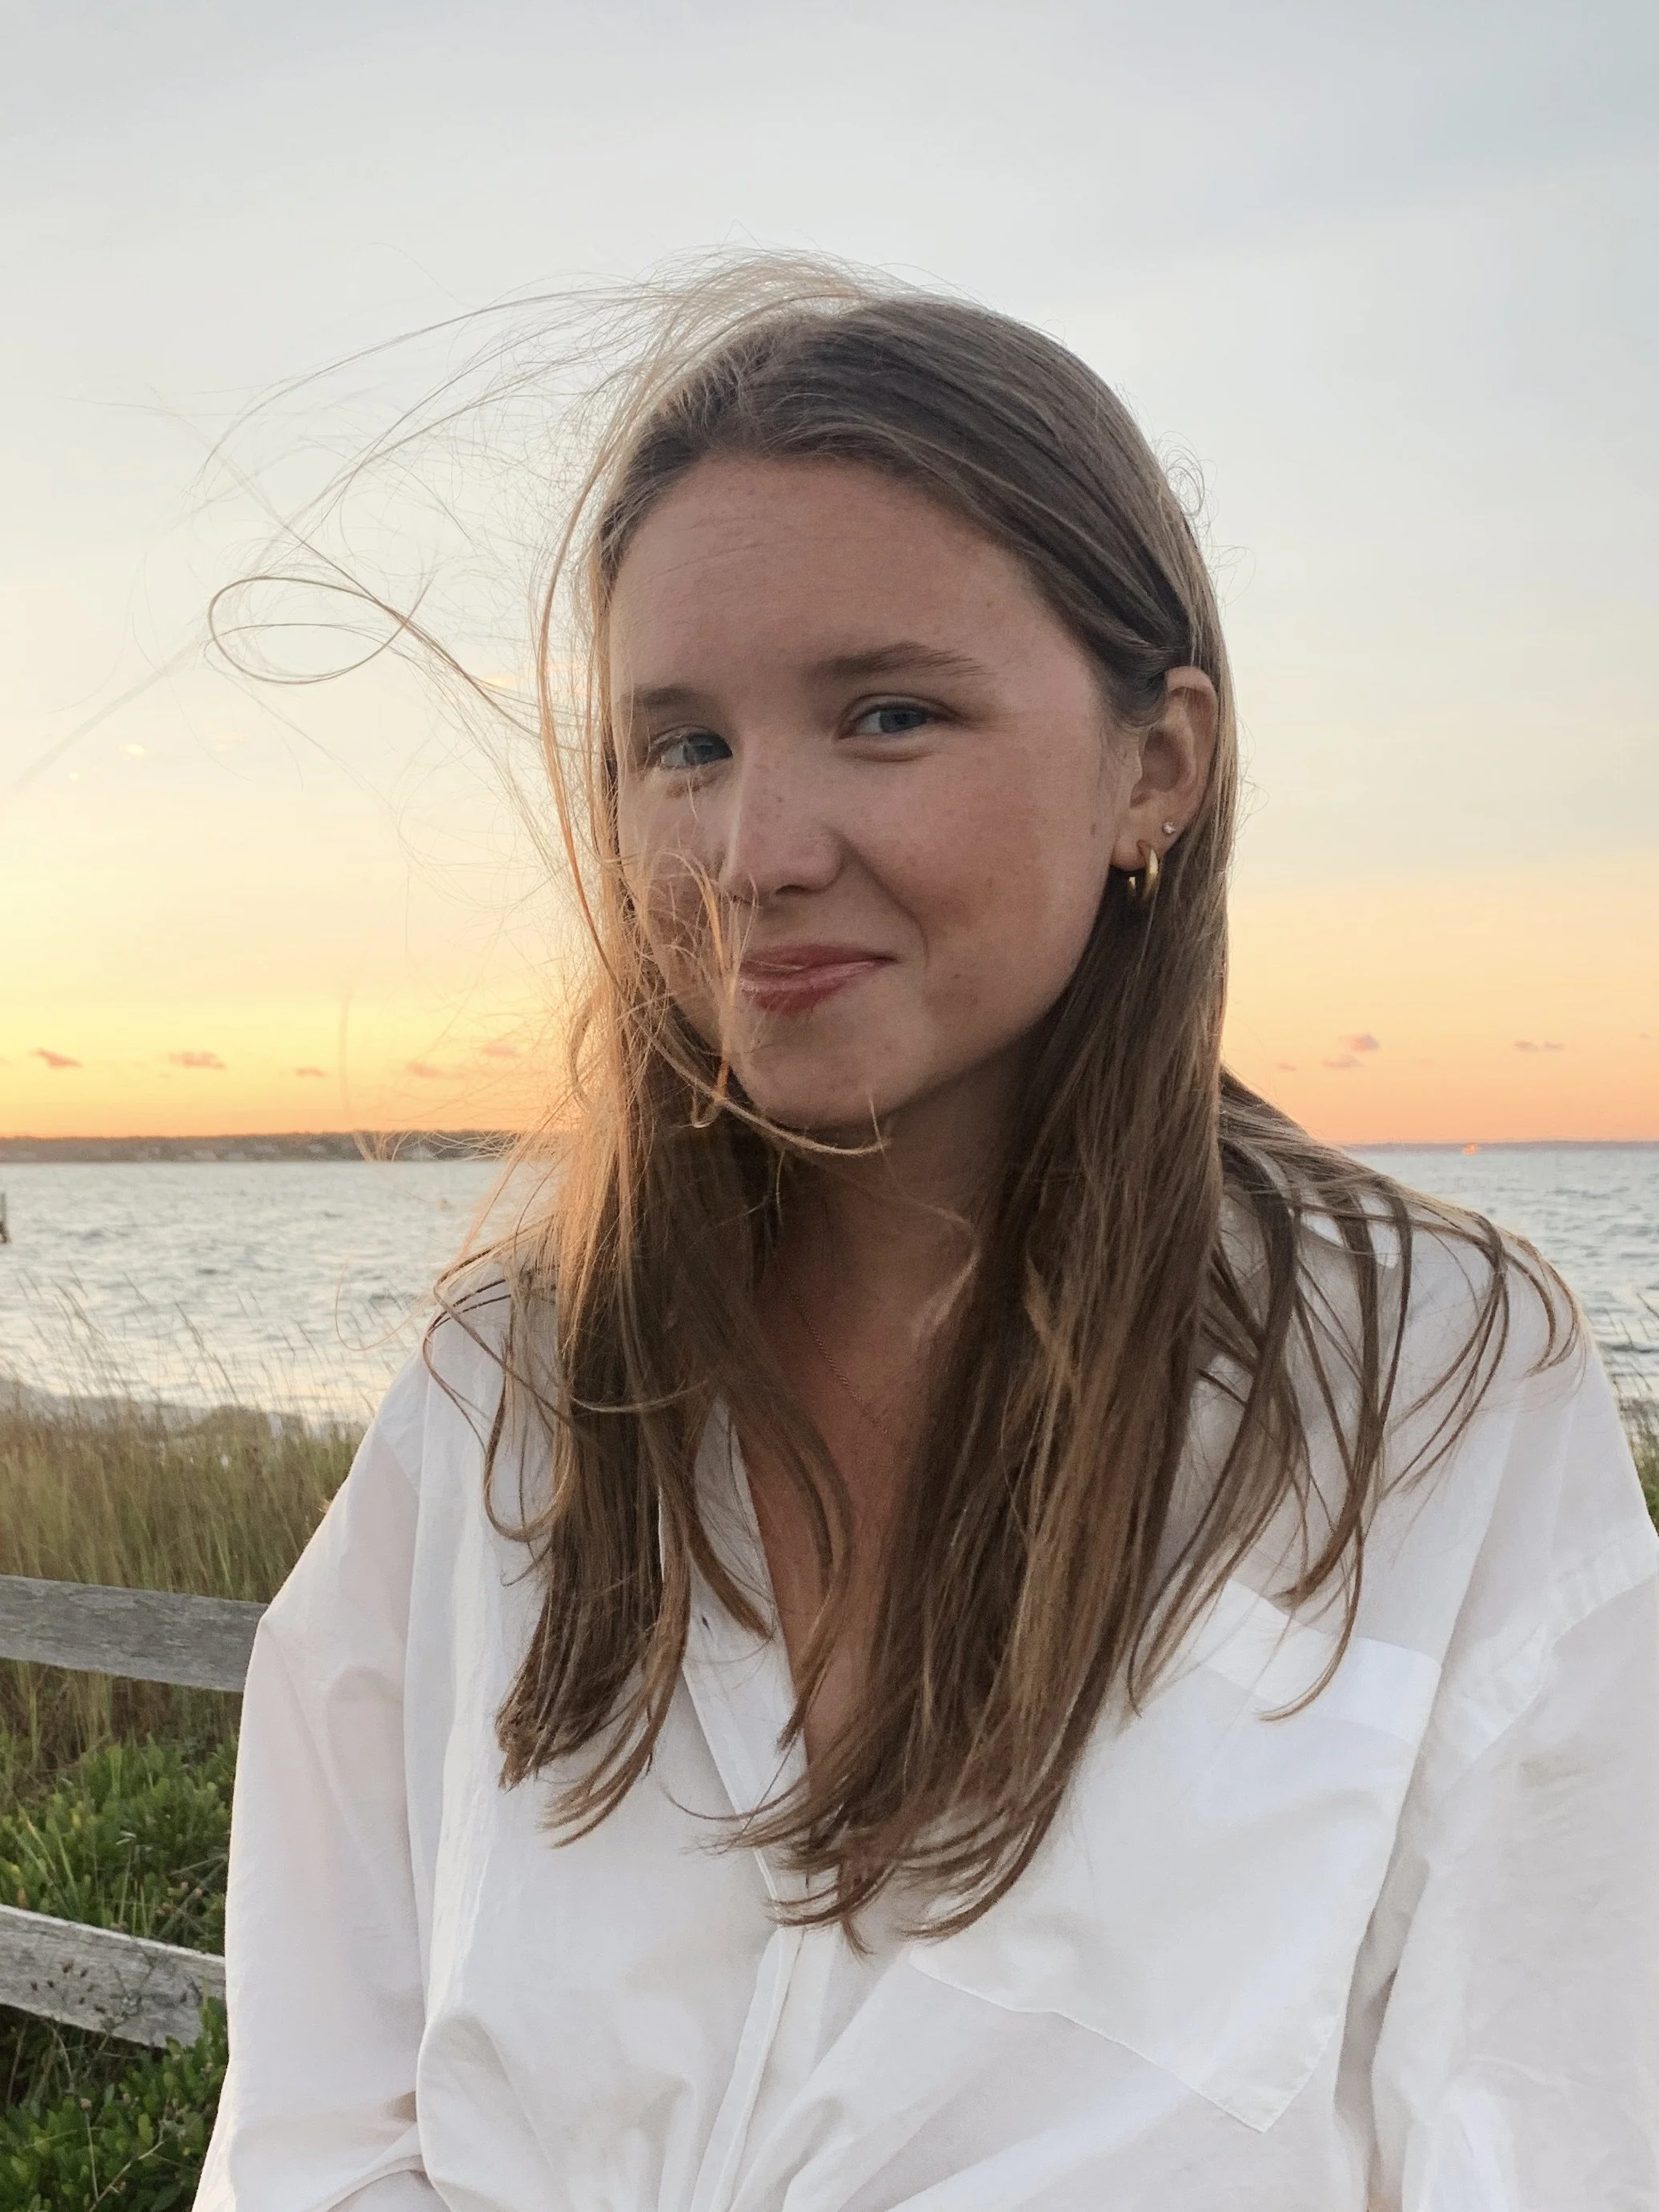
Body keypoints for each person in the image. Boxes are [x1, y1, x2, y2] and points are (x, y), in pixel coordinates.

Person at [196, 262, 1659, 2211]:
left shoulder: (1431, 1392)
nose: (754, 851)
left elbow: (1549, 2128)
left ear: (1158, 761)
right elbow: (315, 2124)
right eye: (682, 745)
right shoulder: (508, 1396)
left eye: (887, 713)